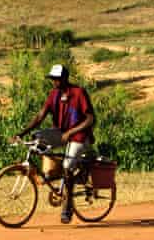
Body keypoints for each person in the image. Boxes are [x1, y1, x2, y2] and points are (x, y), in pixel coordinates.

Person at [13, 64, 95, 224]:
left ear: (65, 78)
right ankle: (52, 174)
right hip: (61, 133)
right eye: (53, 79)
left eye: (57, 79)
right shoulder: (54, 95)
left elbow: (90, 119)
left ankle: (68, 205)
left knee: (68, 165)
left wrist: (70, 133)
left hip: (79, 135)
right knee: (37, 137)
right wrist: (21, 133)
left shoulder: (79, 93)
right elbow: (39, 117)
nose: (54, 82)